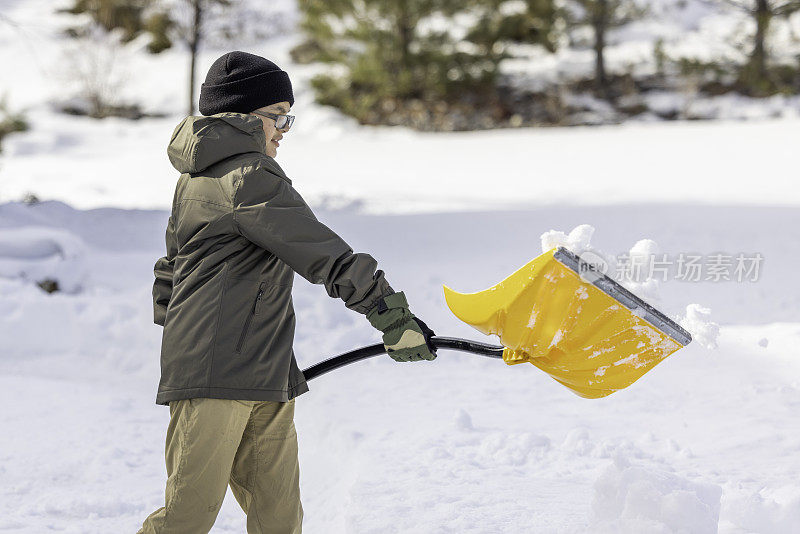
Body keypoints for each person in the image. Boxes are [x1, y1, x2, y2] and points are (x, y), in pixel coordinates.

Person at [137, 51, 437, 534]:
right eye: (278, 116)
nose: (283, 130)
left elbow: (170, 272)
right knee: (186, 518)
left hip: (262, 370)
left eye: (286, 118)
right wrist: (393, 318)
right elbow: (325, 255)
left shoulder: (199, 179)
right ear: (241, 116)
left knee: (278, 519)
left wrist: (193, 338)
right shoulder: (247, 177)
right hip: (218, 376)